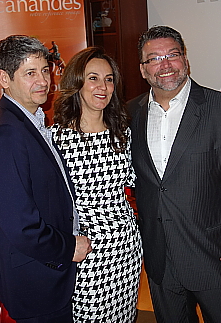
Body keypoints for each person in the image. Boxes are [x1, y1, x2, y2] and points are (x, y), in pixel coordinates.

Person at [127, 25, 221, 323]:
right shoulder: (130, 113)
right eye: (154, 58)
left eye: (172, 55)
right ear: (143, 69)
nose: (165, 65)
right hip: (160, 255)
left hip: (215, 254)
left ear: (185, 60)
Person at [0, 35, 92, 323]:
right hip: (37, 279)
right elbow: (21, 226)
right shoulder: (7, 133)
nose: (43, 80)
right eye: (30, 73)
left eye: (45, 70)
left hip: (47, 272)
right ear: (4, 78)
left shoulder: (27, 119)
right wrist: (68, 247)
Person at [52, 47, 142, 322]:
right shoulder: (56, 140)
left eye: (109, 79)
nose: (102, 87)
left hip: (126, 248)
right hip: (85, 250)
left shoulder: (123, 133)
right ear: (76, 82)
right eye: (93, 78)